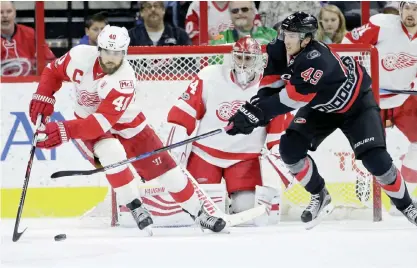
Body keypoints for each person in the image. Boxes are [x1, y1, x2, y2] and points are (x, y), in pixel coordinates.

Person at [226, 11, 417, 228]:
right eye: (285, 33)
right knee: (289, 150)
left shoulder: (316, 60)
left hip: (356, 105)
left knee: (377, 161)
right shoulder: (278, 47)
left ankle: (407, 205)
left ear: (306, 39)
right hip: (321, 107)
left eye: (291, 35)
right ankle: (320, 194)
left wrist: (255, 114)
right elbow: (270, 85)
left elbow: (291, 99)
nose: (285, 39)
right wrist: (252, 112)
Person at [28, 25, 226, 234]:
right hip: (88, 122)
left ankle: (200, 213)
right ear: (99, 48)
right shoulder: (79, 56)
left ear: (125, 52)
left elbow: (100, 123)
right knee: (111, 152)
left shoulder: (124, 79)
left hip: (127, 124)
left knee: (168, 170)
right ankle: (135, 206)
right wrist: (44, 94)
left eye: (117, 53)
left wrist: (63, 130)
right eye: (107, 51)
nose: (111, 58)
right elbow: (52, 71)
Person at [166, 36, 292, 225]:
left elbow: (278, 131)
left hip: (245, 159)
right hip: (205, 155)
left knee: (246, 212)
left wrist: (282, 156)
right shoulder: (209, 75)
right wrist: (173, 152)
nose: (242, 63)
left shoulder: (271, 86)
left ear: (258, 60)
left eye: (248, 58)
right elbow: (183, 113)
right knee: (199, 211)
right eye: (239, 57)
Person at [342, 1, 417, 189]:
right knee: (370, 151)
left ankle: (404, 190)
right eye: (407, 7)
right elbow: (348, 44)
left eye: (416, 9)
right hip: (371, 99)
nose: (410, 13)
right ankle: (367, 188)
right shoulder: (382, 25)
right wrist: (356, 78)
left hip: (403, 98)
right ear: (400, 8)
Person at [1, 1, 55, 76]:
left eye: (9, 11)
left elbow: (51, 62)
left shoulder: (30, 34)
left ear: (15, 13)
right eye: (1, 12)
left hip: (29, 85)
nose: (5, 15)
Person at [210, 1, 277, 45]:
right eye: (235, 11)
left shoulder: (272, 34)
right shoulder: (220, 38)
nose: (240, 13)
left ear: (254, 12)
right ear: (230, 15)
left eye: (244, 9)